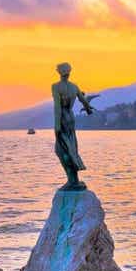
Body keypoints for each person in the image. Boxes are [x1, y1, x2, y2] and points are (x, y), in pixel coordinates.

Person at [52, 62, 96, 190]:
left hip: (63, 118)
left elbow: (58, 107)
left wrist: (57, 125)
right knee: (71, 147)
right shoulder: (74, 87)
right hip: (71, 118)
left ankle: (72, 180)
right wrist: (88, 110)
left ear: (59, 72)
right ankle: (74, 179)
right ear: (69, 72)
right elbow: (84, 101)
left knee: (61, 150)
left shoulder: (56, 86)